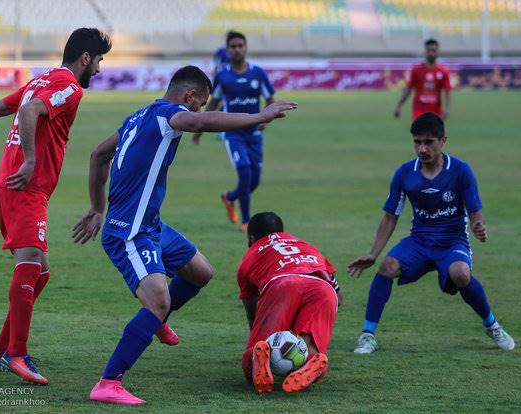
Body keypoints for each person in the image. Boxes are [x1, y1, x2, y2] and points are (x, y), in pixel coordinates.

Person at [71, 65, 296, 405]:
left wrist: (96, 207)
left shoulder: (139, 115)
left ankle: (156, 321)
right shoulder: (170, 114)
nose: (199, 109)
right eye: (200, 103)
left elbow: (98, 154)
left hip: (151, 225)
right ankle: (108, 382)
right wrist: (258, 116)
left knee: (200, 271)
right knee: (159, 300)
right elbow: (198, 122)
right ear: (189, 97)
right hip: (129, 231)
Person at [0, 28, 112, 384]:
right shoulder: (69, 87)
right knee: (29, 265)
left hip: (13, 185)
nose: (99, 69)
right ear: (85, 58)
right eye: (98, 60)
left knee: (40, 272)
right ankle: (17, 354)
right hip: (26, 186)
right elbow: (31, 113)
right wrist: (30, 160)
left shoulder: (41, 80)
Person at [348, 112, 515, 354]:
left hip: (452, 241)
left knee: (460, 274)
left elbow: (475, 211)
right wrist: (373, 254)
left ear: (443, 141)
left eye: (429, 142)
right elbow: (390, 216)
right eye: (417, 142)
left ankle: (492, 325)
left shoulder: (461, 171)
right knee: (387, 267)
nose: (422, 149)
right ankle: (367, 335)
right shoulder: (405, 173)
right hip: (420, 241)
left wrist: (479, 226)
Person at [237, 212, 341, 394]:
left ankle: (259, 358)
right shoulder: (305, 245)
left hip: (283, 283)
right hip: (323, 288)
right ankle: (311, 362)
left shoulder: (251, 254)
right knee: (310, 352)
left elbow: (252, 309)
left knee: (250, 360)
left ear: (251, 237)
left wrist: (260, 335)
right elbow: (338, 296)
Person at [192, 31, 275, 232]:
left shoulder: (258, 73)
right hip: (233, 132)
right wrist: (198, 128)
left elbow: (270, 98)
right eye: (233, 46)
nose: (237, 49)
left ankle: (230, 197)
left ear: (245, 48)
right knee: (245, 173)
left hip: (254, 133)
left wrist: (267, 119)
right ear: (228, 50)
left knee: (254, 181)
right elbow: (214, 102)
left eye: (240, 45)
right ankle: (246, 221)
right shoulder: (223, 76)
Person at [394, 39, 452, 120]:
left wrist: (447, 109)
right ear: (425, 51)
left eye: (434, 50)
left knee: (437, 133)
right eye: (429, 50)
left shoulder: (443, 71)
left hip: (436, 113)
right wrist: (399, 106)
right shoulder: (416, 70)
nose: (431, 53)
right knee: (419, 132)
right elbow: (408, 89)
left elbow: (448, 91)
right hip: (418, 113)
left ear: (438, 52)